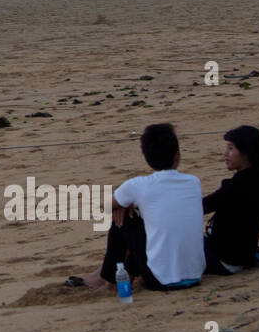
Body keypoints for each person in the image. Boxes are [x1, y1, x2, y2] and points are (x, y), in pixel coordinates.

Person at [69, 123, 205, 292]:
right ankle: (110, 275)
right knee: (139, 217)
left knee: (125, 217)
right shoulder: (193, 182)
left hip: (161, 280)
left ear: (146, 158)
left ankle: (110, 280)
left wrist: (125, 206)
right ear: (177, 156)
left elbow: (104, 207)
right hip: (195, 275)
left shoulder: (138, 185)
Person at [202, 126, 259, 275]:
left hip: (225, 261)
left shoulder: (238, 186)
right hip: (243, 258)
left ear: (246, 154)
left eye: (231, 149)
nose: (226, 154)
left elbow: (201, 207)